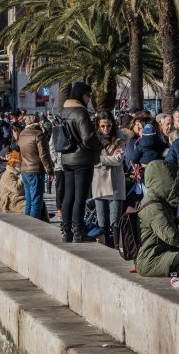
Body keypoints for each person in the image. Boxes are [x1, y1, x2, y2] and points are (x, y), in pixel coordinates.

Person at [135, 160, 179, 278]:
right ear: (163, 180)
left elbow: (159, 229)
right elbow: (173, 238)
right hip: (151, 260)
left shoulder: (155, 200)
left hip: (159, 253)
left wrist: (177, 221)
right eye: (172, 180)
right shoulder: (154, 207)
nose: (175, 185)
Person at [60, 82, 102, 243]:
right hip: (82, 160)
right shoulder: (80, 112)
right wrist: (100, 145)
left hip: (67, 159)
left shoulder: (64, 111)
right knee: (80, 197)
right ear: (81, 94)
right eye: (88, 95)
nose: (90, 98)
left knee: (68, 196)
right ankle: (78, 232)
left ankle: (66, 232)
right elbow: (88, 138)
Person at [92, 112, 126, 248]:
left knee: (115, 219)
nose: (106, 128)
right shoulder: (93, 139)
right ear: (98, 125)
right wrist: (108, 159)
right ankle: (105, 246)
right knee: (102, 219)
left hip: (115, 182)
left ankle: (117, 246)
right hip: (99, 182)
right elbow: (90, 159)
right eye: (103, 126)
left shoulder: (120, 138)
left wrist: (99, 159)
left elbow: (118, 160)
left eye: (109, 125)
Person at [17, 115, 53, 219]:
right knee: (36, 202)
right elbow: (44, 155)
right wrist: (50, 170)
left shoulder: (22, 134)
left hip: (25, 170)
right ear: (37, 124)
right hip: (36, 170)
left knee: (29, 201)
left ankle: (27, 224)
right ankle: (33, 225)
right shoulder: (38, 135)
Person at [0, 147, 26, 213]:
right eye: (20, 163)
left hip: (18, 199)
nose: (23, 165)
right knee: (32, 206)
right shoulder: (8, 174)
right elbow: (17, 189)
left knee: (38, 203)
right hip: (11, 202)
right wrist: (21, 178)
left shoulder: (16, 173)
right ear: (14, 163)